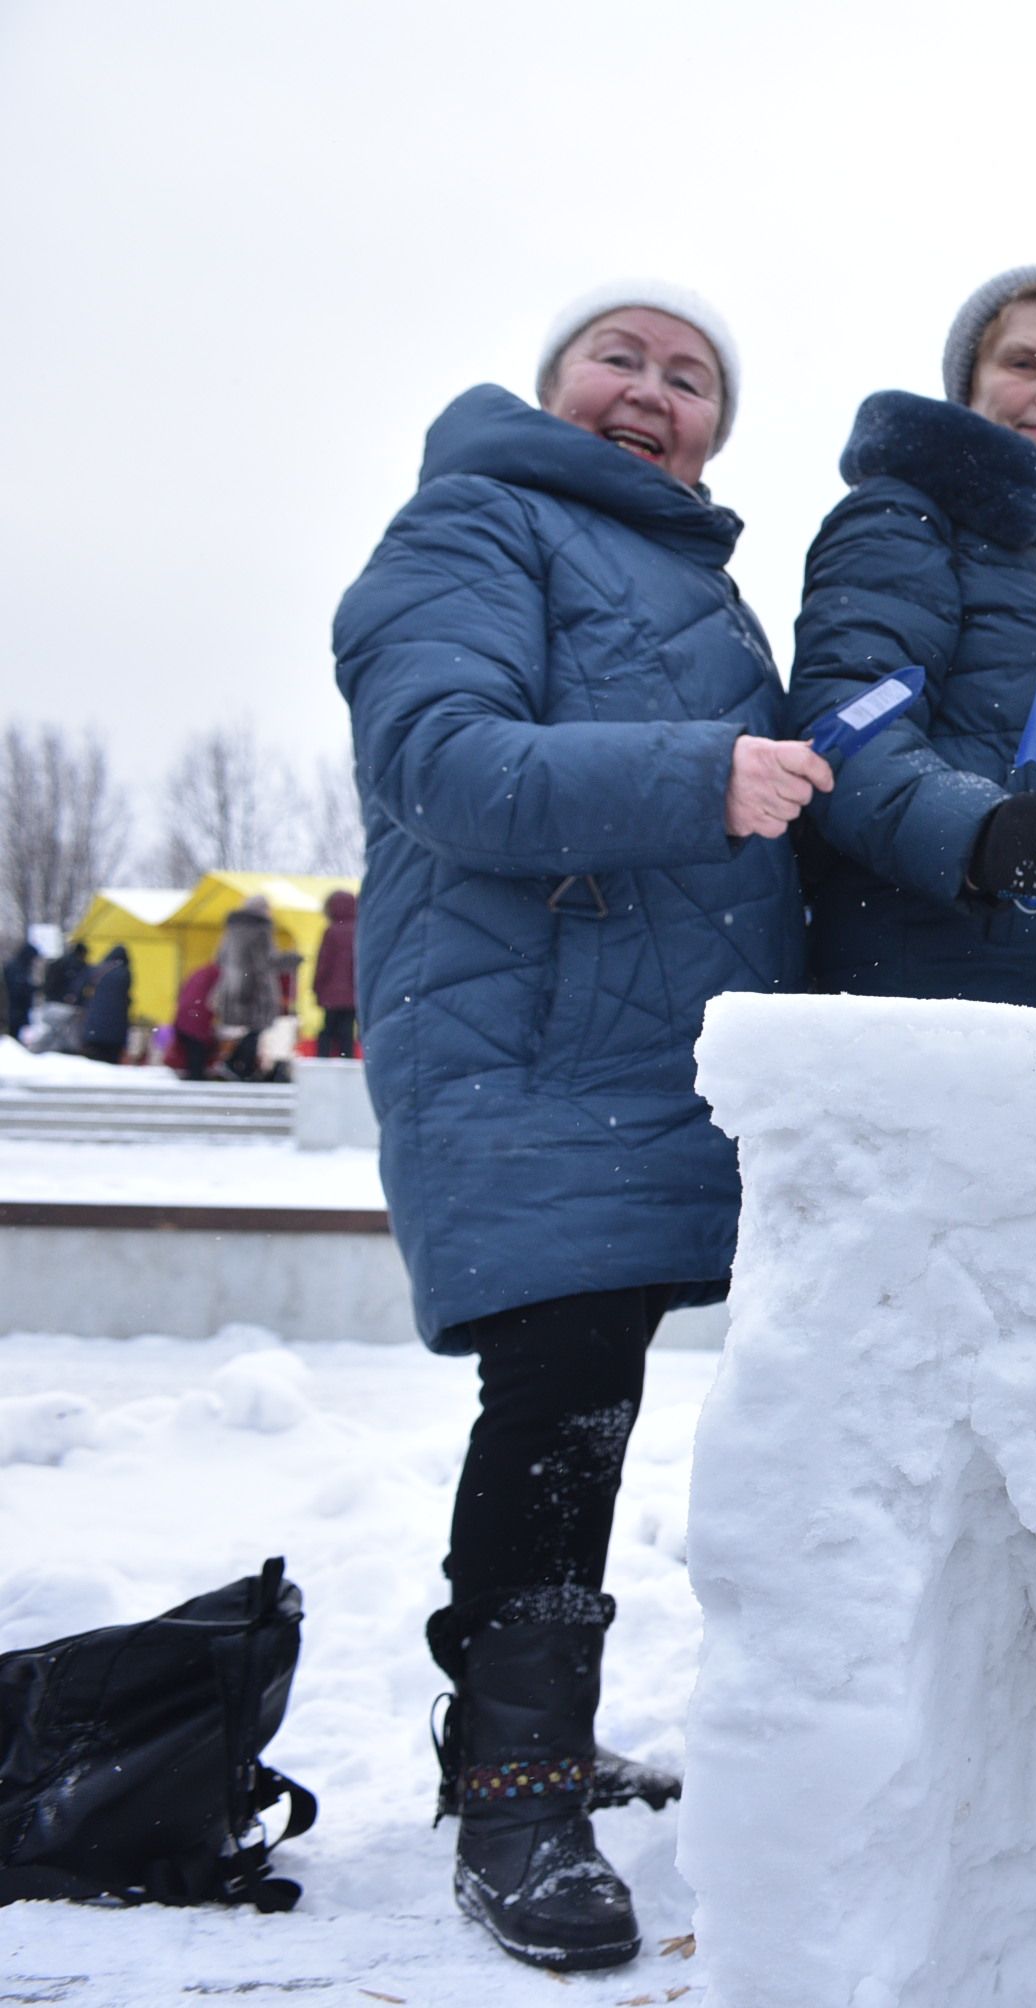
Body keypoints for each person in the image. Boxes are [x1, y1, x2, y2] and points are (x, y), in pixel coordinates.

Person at [331, 280, 818, 1972]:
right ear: (552, 389)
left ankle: (526, 1733)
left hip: (633, 1053)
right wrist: (704, 775)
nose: (652, 391)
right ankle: (515, 1785)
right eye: (620, 359)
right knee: (555, 1392)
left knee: (588, 1389)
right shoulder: (475, 523)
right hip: (518, 1034)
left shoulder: (691, 578)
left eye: (689, 378)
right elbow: (444, 759)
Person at [790, 267, 1036, 1008]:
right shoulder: (905, 515)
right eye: (1024, 363)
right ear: (968, 386)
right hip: (941, 974)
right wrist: (974, 835)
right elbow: (844, 727)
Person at [213, 896, 283, 1080]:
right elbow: (266, 961)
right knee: (255, 1029)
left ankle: (236, 1066)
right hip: (256, 989)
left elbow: (220, 958)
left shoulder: (232, 931)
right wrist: (291, 960)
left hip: (234, 987)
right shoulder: (260, 930)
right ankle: (240, 1067)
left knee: (248, 1030)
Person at [313, 888, 357, 1059]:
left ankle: (323, 1062)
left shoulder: (331, 931)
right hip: (353, 993)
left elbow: (324, 963)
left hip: (331, 993)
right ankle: (347, 1063)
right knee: (347, 1031)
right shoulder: (358, 930)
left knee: (327, 1030)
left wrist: (317, 987)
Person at [78, 944, 131, 1064]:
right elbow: (126, 997)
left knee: (95, 1059)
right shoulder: (124, 973)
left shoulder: (97, 969)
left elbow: (81, 990)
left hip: (94, 1024)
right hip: (116, 1025)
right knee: (110, 1059)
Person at [169, 959, 221, 1079]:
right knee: (197, 1063)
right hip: (196, 1025)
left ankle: (191, 1082)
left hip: (184, 1021)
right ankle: (196, 1087)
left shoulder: (199, 973)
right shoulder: (217, 975)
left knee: (190, 1061)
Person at [3, 935, 35, 1043]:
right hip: (13, 1011)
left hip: (16, 1011)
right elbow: (15, 990)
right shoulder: (16, 968)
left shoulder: (21, 968)